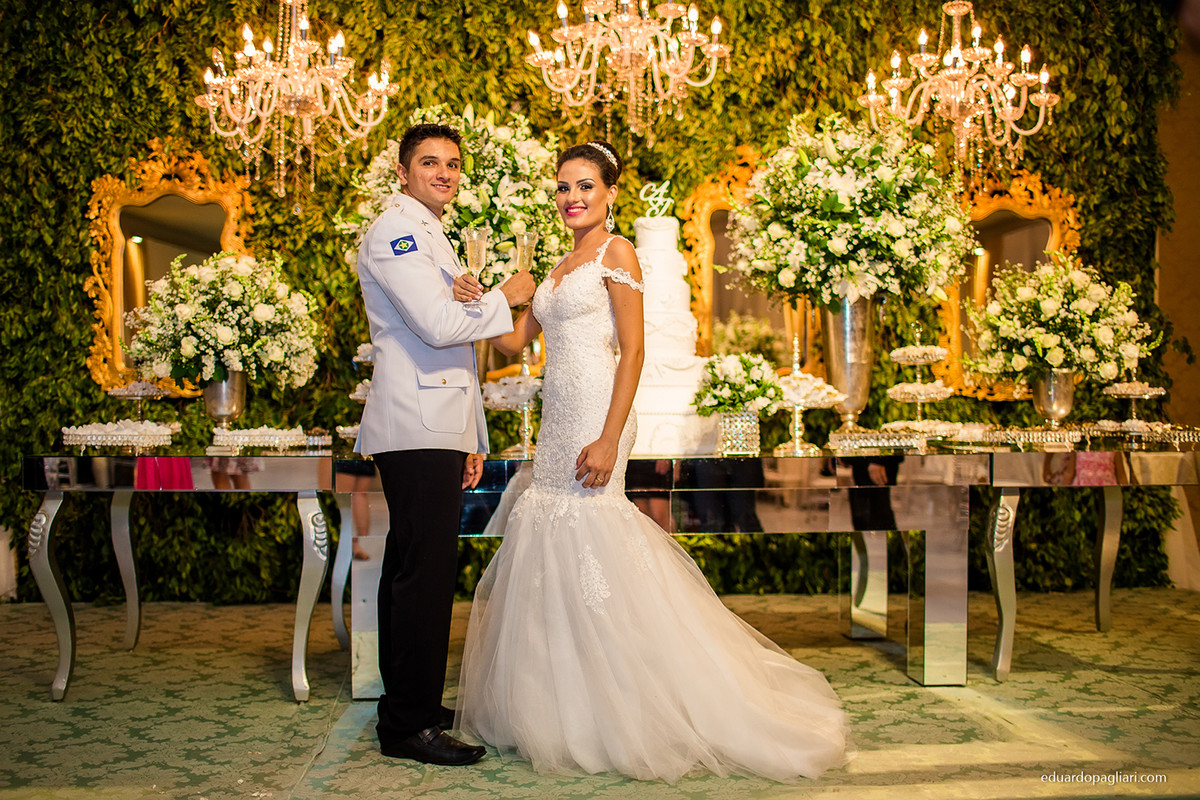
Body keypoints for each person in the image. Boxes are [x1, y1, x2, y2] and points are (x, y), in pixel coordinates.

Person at [451, 141, 850, 782]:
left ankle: (630, 702)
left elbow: (632, 351)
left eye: (585, 186)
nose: (571, 197)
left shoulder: (617, 252)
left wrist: (611, 438)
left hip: (598, 413)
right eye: (562, 187)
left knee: (591, 532)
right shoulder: (555, 266)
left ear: (609, 194)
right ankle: (557, 703)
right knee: (548, 529)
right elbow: (510, 341)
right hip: (558, 420)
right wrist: (486, 294)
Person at [354, 122, 536, 766]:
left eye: (453, 164)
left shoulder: (433, 233)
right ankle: (410, 725)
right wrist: (507, 296)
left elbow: (456, 348)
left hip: (437, 426)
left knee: (414, 572)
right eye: (430, 163)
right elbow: (436, 326)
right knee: (424, 577)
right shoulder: (395, 232)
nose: (445, 173)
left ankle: (408, 711)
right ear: (402, 172)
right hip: (415, 424)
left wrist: (472, 437)